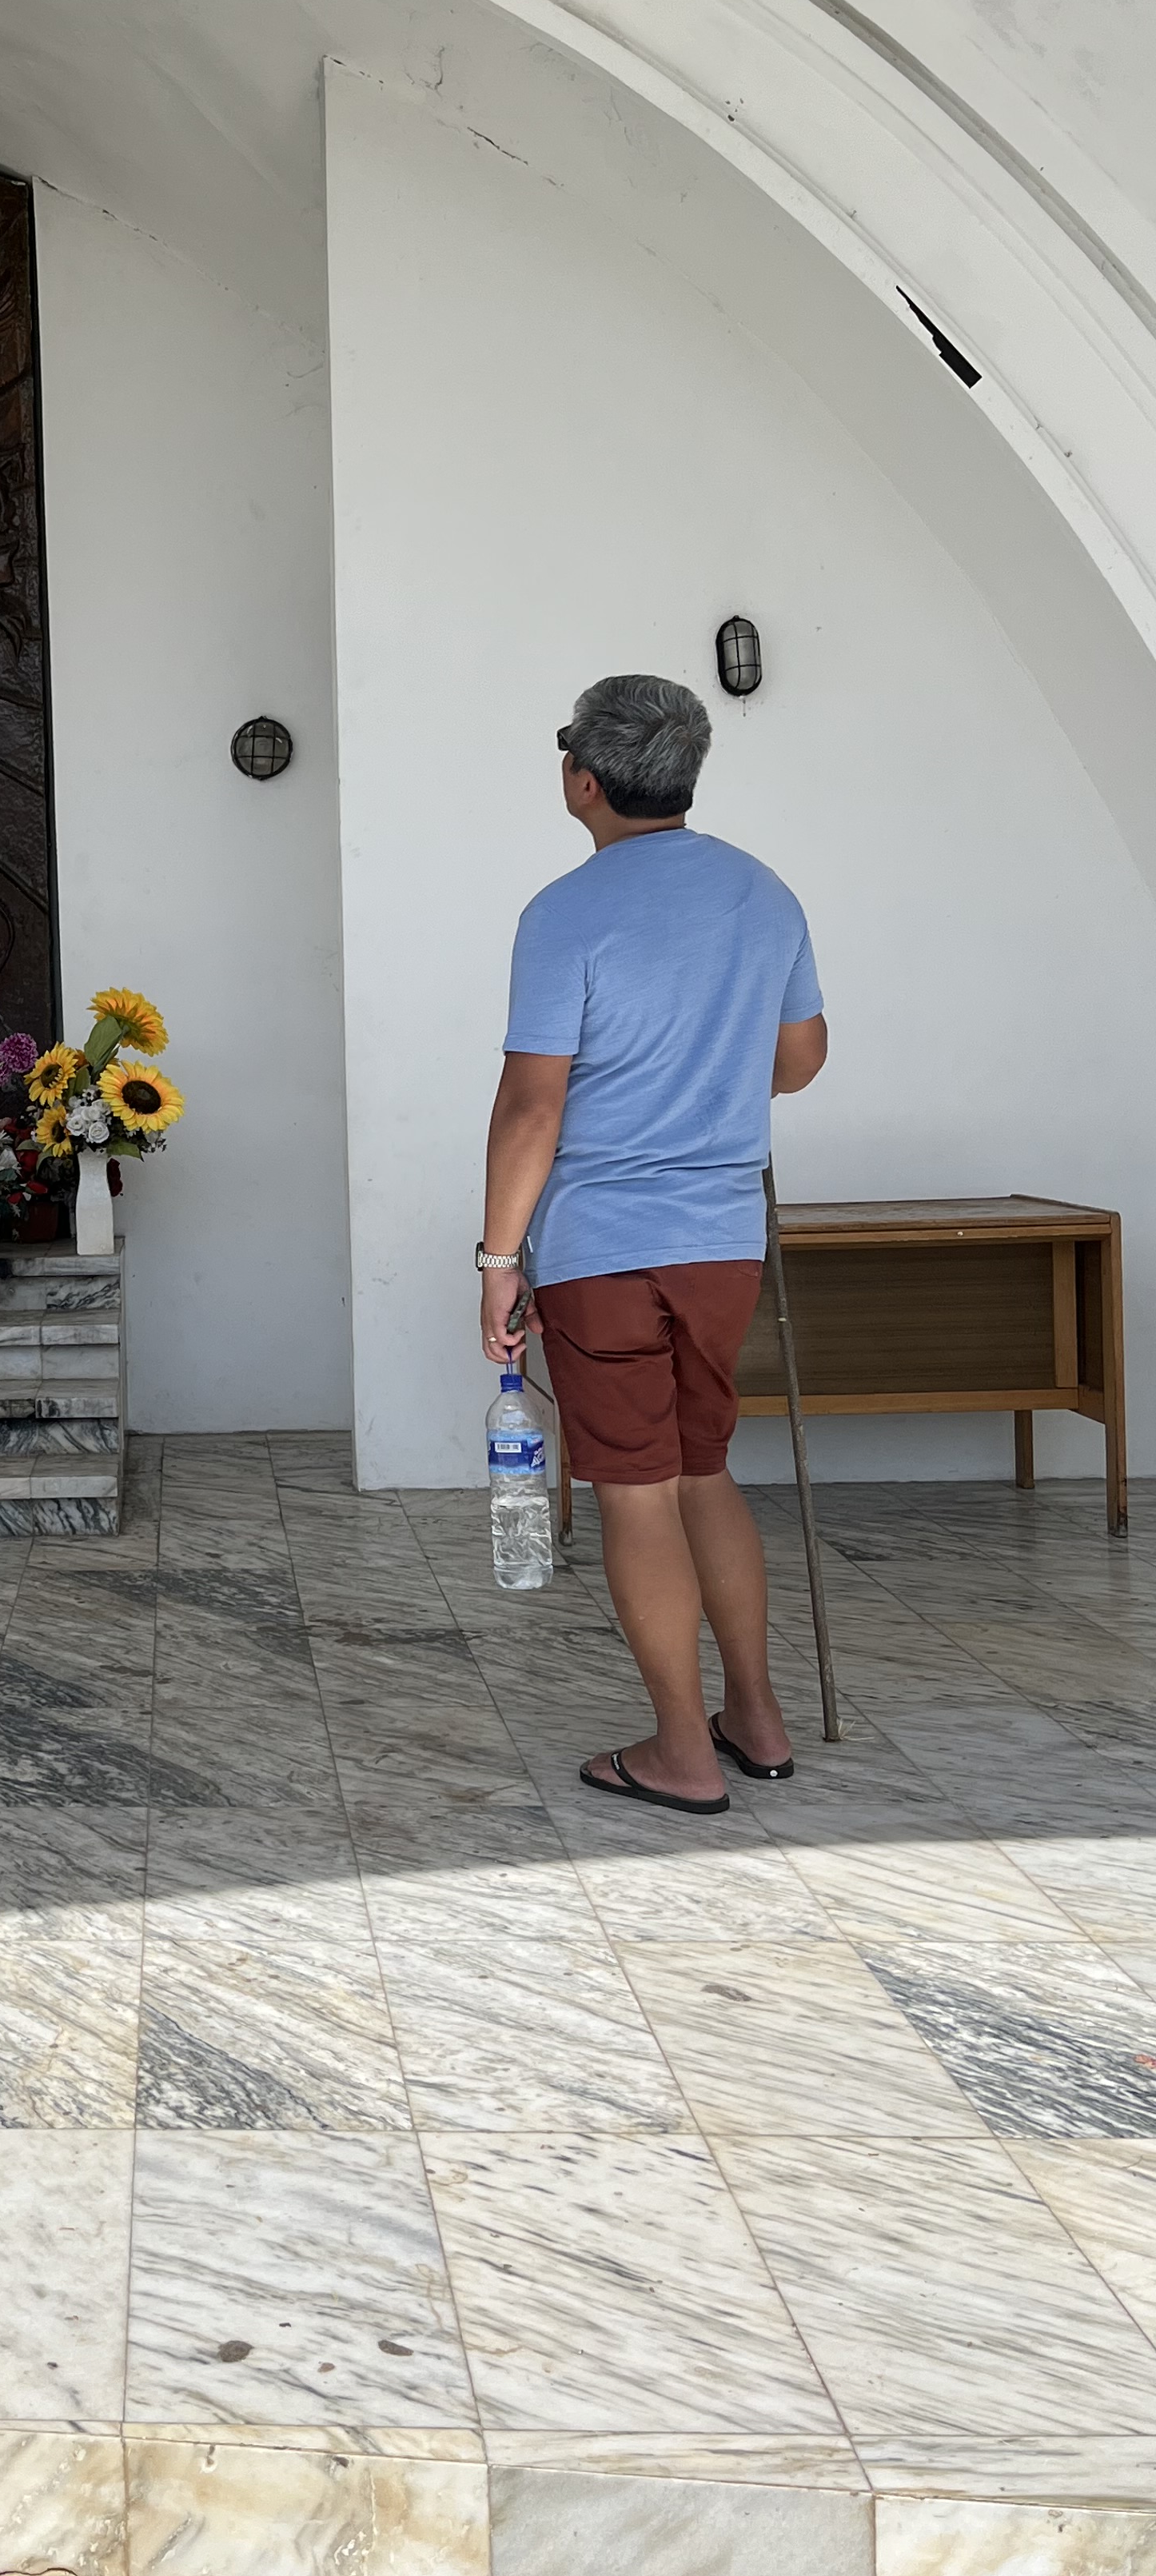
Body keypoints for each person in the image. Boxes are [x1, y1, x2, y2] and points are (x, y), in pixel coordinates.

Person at [476, 673, 827, 1815]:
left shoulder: (565, 914)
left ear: (583, 780)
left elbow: (532, 1107)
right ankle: (757, 1719)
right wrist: (709, 1071)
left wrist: (497, 1263)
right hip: (723, 1242)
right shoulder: (764, 893)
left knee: (635, 1491)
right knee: (705, 1471)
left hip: (605, 1249)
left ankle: (682, 1751)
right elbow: (800, 1060)